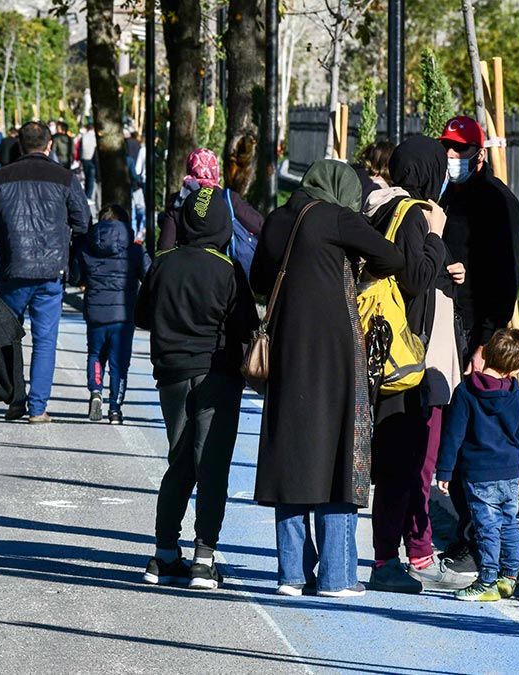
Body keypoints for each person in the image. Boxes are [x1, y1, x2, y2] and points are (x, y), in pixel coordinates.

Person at [252, 160, 405, 599]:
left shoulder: (281, 218)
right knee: (340, 451)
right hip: (335, 353)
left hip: (285, 352)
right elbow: (391, 257)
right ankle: (337, 575)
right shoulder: (337, 217)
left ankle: (292, 574)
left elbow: (261, 279)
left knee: (290, 453)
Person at [364, 136, 472, 594]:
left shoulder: (380, 205)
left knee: (399, 459)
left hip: (390, 350)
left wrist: (448, 268)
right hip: (410, 356)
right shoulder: (413, 213)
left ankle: (400, 553)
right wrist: (435, 235)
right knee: (406, 462)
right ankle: (395, 558)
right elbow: (414, 276)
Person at [135, 187, 258, 589]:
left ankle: (164, 552)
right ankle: (204, 557)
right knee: (212, 464)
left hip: (170, 371)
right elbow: (243, 327)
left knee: (180, 461)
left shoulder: (163, 263)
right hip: (215, 372)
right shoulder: (226, 268)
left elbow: (142, 316)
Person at [437, 116, 519, 575]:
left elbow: (506, 279)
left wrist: (488, 344)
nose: (452, 158)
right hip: (450, 325)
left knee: (475, 440)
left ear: (479, 153)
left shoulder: (497, 202)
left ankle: (476, 544)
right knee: (456, 432)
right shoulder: (449, 195)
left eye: (460, 150)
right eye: (448, 149)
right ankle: (468, 535)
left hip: (477, 334)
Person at [0, 121, 90, 424]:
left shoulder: (0, 177)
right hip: (51, 270)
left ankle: (15, 399)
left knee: (9, 337)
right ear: (48, 145)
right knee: (45, 340)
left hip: (11, 268)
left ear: (19, 146)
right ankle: (38, 408)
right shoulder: (65, 178)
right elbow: (83, 221)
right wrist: (65, 247)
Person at [435, 329, 519, 601]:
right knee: (509, 524)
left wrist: (445, 470)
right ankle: (509, 577)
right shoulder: (517, 395)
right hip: (510, 472)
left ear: (485, 354)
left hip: (479, 473)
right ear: (517, 366)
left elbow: (454, 435)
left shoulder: (466, 392)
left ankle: (487, 580)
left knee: (486, 528)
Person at [79, 204, 150, 424]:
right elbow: (150, 276)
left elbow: (76, 276)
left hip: (96, 313)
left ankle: (96, 390)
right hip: (123, 315)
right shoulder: (136, 250)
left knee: (95, 354)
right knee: (119, 363)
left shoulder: (87, 246)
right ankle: (115, 410)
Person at [157, 148, 262, 251]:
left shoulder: (178, 200)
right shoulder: (228, 198)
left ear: (190, 168)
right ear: (215, 169)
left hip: (186, 263)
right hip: (224, 265)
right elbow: (259, 225)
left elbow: (165, 246)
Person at [80, 122, 98, 200]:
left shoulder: (84, 136)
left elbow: (80, 147)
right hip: (92, 159)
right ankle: (88, 195)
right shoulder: (95, 137)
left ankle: (86, 193)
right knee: (91, 178)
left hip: (84, 158)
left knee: (87, 177)